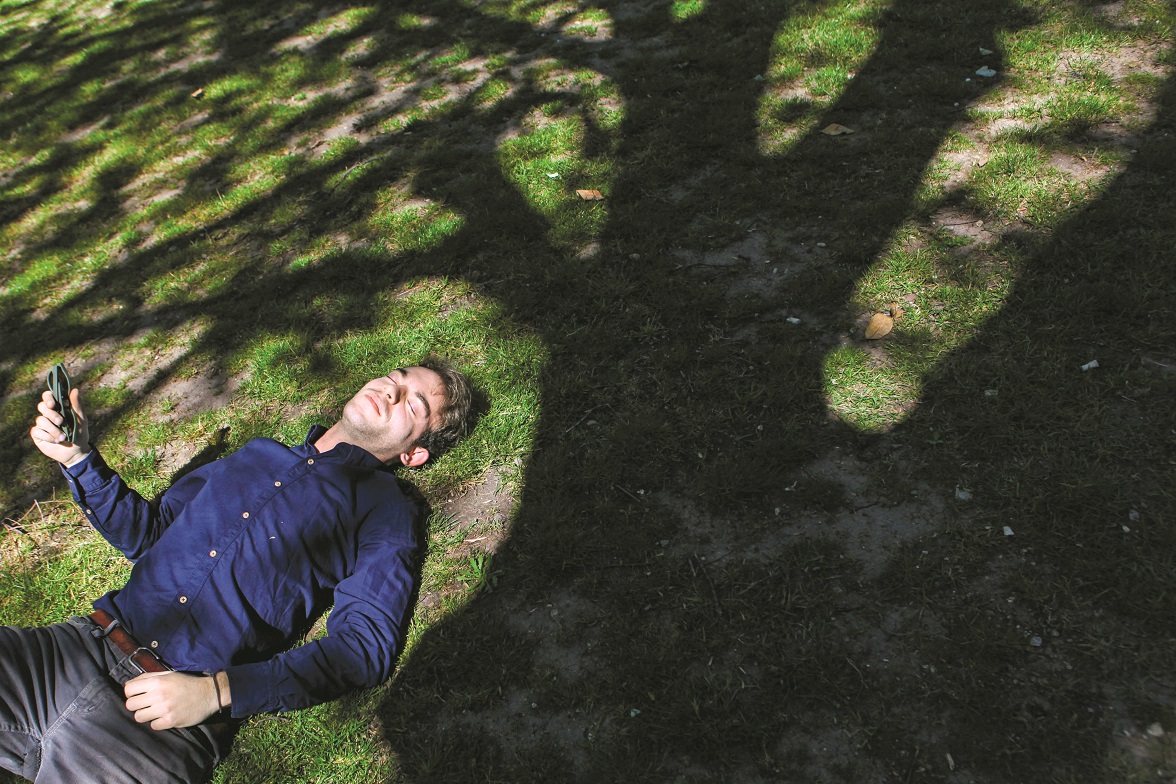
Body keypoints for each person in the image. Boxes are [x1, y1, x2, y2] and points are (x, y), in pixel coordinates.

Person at [2, 360, 474, 783]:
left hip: (159, 731)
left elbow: (364, 647)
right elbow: (150, 537)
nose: (391, 392)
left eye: (413, 406)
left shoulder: (386, 509)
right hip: (73, 650)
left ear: (413, 455)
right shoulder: (259, 453)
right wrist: (79, 460)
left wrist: (217, 694)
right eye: (396, 379)